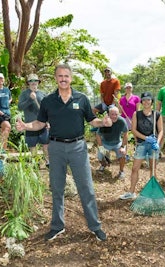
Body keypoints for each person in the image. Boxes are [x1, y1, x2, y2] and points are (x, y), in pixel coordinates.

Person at [16, 64, 111, 242]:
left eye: (66, 76)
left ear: (71, 78)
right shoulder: (48, 100)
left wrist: (103, 123)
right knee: (57, 188)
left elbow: (92, 120)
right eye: (60, 76)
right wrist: (25, 126)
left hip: (78, 148)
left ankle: (95, 226)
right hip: (56, 148)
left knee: (86, 188)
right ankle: (57, 226)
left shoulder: (81, 99)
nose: (63, 79)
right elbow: (39, 123)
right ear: (55, 78)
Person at [119, 92, 163, 200]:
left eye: (148, 99)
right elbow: (133, 130)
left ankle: (154, 192)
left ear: (151, 101)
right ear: (141, 102)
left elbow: (161, 130)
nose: (146, 102)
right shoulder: (136, 114)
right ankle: (131, 192)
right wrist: (146, 138)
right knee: (134, 168)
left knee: (153, 169)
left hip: (153, 146)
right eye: (144, 100)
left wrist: (157, 142)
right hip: (141, 144)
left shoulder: (156, 114)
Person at [18, 73, 49, 167]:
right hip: (30, 125)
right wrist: (30, 99)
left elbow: (47, 109)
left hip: (43, 124)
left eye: (35, 81)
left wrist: (48, 121)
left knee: (46, 144)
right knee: (32, 145)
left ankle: (48, 162)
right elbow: (20, 107)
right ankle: (35, 163)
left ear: (38, 82)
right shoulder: (24, 94)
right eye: (31, 81)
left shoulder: (43, 93)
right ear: (28, 83)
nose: (33, 83)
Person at [96, 106, 128, 179]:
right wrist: (101, 147)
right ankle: (103, 165)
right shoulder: (105, 121)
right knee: (100, 156)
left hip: (117, 143)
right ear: (108, 114)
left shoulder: (122, 121)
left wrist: (123, 147)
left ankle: (121, 171)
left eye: (116, 114)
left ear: (119, 114)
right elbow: (98, 135)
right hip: (105, 143)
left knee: (123, 154)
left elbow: (126, 134)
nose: (114, 116)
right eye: (112, 114)